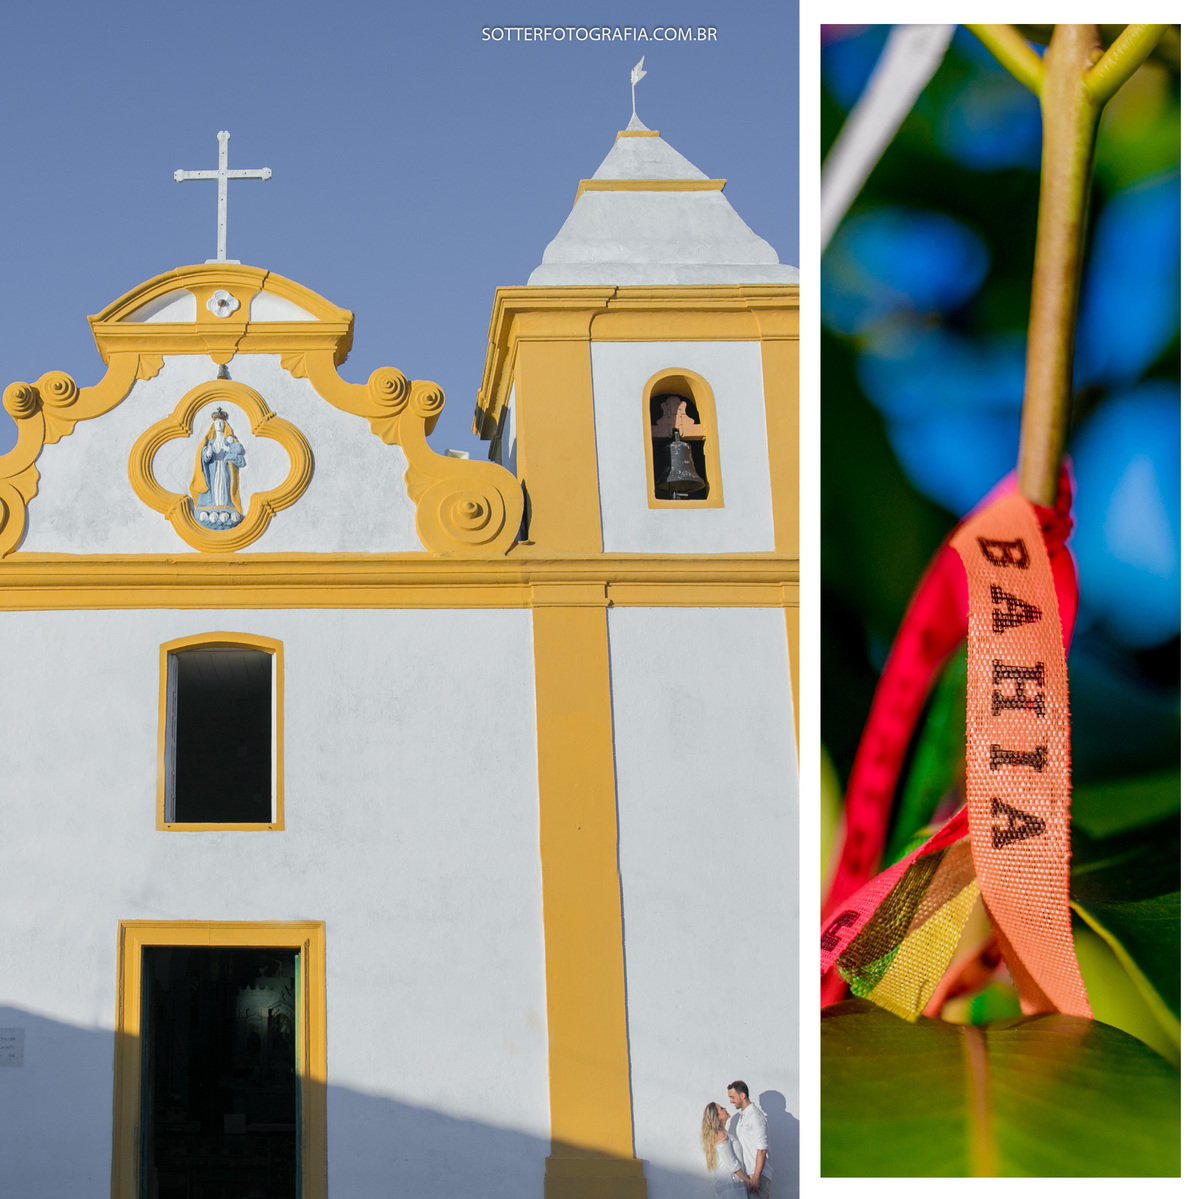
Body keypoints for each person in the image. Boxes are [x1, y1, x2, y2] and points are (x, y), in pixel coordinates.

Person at [190, 407, 247, 527]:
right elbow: (204, 457)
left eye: (221, 423)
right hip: (213, 469)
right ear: (214, 426)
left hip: (224, 468)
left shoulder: (229, 441)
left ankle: (226, 505)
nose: (219, 425)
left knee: (225, 485)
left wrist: (228, 447)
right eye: (217, 423)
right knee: (214, 485)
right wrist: (208, 453)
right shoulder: (210, 442)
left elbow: (237, 451)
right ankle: (213, 506)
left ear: (225, 425)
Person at [727, 1080, 772, 1197]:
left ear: (743, 1095)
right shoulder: (744, 1116)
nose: (731, 1101)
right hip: (748, 1175)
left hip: (757, 1175)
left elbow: (762, 1149)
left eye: (733, 1097)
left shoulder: (755, 1116)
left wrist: (756, 1176)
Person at [701, 1102, 752, 1197]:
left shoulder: (724, 1134)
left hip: (733, 1185)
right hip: (731, 1186)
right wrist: (748, 1180)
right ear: (717, 1116)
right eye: (721, 1108)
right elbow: (730, 1162)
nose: (725, 1108)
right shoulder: (720, 1135)